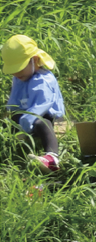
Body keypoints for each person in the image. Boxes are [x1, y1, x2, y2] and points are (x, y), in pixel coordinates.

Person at [2, 35, 65, 174]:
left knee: (41, 123)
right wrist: (11, 112)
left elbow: (43, 104)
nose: (16, 72)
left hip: (43, 114)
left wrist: (27, 119)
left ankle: (52, 157)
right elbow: (14, 98)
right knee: (8, 122)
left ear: (35, 60)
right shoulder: (20, 77)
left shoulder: (43, 80)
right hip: (25, 113)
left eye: (19, 67)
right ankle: (13, 152)